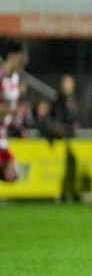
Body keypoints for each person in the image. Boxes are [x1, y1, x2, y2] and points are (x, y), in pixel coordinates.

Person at [0, 40, 29, 183]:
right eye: (21, 59)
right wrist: (12, 111)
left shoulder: (16, 78)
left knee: (13, 176)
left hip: (2, 134)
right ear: (12, 56)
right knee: (10, 174)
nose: (22, 63)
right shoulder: (0, 76)